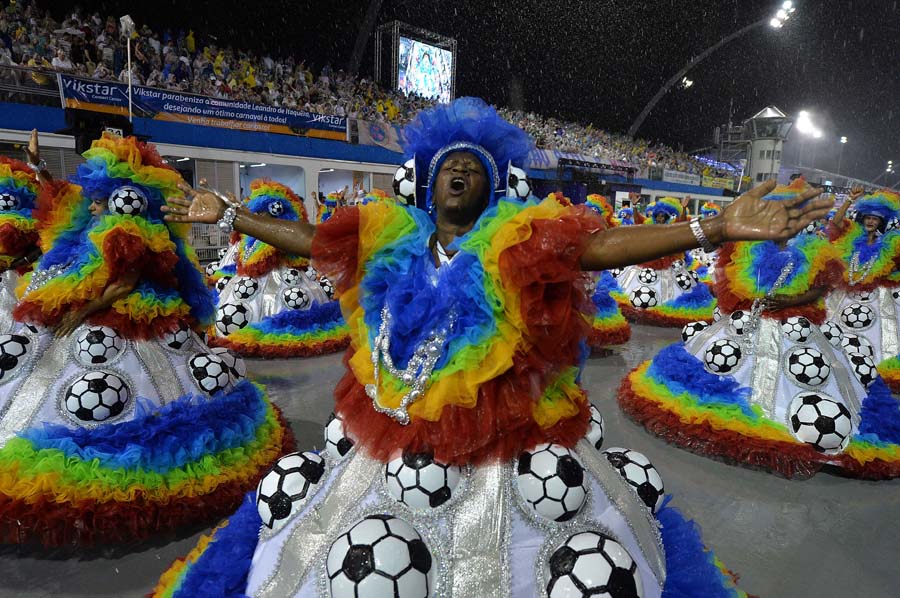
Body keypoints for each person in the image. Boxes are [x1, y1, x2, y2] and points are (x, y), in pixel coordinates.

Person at [155, 98, 829, 597]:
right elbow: (312, 239)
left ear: (490, 184)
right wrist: (233, 217)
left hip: (504, 437)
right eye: (446, 166)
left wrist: (710, 228)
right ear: (427, 183)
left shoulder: (521, 239)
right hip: (395, 429)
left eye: (470, 169)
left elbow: (596, 247)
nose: (457, 174)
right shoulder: (390, 237)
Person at [0, 132, 292, 547]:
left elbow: (126, 283)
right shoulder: (97, 223)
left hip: (136, 319)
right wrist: (39, 168)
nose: (93, 204)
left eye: (100, 197)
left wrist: (81, 311)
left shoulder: (132, 231)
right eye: (93, 197)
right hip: (96, 317)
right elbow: (60, 203)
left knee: (153, 386)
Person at [619, 178, 900, 480]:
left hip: (796, 326)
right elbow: (732, 287)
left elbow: (822, 288)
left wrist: (790, 300)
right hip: (749, 322)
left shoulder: (814, 249)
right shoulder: (749, 247)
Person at [208, 178, 349, 358]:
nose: (258, 216)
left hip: (283, 278)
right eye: (256, 212)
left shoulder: (281, 237)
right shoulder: (252, 238)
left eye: (261, 212)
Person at [824, 188, 900, 393]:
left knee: (877, 341)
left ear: (880, 223)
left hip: (873, 301)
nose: (870, 221)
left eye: (875, 219)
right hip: (843, 298)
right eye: (867, 217)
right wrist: (849, 200)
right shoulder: (849, 238)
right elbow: (836, 223)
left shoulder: (888, 246)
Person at [613, 197, 717, 327]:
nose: (660, 218)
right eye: (658, 215)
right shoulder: (649, 223)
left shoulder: (672, 226)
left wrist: (684, 208)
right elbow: (638, 220)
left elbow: (682, 221)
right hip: (649, 261)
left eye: (663, 216)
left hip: (670, 264)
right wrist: (634, 205)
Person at [583, 193, 631, 348]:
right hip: (580, 271)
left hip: (595, 272)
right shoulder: (576, 227)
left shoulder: (605, 231)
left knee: (592, 294)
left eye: (594, 212)